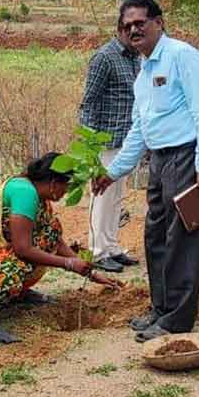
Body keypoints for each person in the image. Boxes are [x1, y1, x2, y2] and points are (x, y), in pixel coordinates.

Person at [92, 0, 199, 342]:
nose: (133, 29)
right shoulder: (143, 72)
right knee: (155, 237)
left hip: (187, 157)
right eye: (126, 25)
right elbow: (139, 129)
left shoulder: (181, 56)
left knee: (182, 239)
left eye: (140, 23)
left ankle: (177, 320)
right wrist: (114, 171)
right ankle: (161, 309)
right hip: (160, 161)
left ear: (158, 23)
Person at [0, 153, 121, 344]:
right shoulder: (25, 193)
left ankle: (15, 294)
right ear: (53, 182)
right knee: (15, 267)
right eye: (66, 186)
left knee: (48, 232)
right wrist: (68, 264)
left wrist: (91, 274)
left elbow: (54, 240)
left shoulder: (34, 191)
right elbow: (23, 249)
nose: (65, 193)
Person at [78, 23, 143, 273]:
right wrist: (90, 146)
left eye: (138, 29)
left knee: (117, 197)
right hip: (105, 141)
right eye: (129, 29)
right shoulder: (104, 57)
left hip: (126, 141)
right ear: (119, 29)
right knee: (103, 197)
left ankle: (112, 246)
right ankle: (98, 251)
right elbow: (88, 102)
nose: (134, 33)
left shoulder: (135, 59)